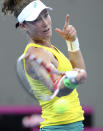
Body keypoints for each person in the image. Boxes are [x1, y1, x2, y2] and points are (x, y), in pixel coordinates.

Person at [2, 0, 87, 130]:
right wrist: (73, 80)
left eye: (46, 15)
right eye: (36, 20)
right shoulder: (35, 54)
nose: (45, 23)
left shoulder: (49, 49)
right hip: (58, 128)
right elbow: (56, 88)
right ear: (23, 26)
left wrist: (72, 42)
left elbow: (80, 71)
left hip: (72, 125)